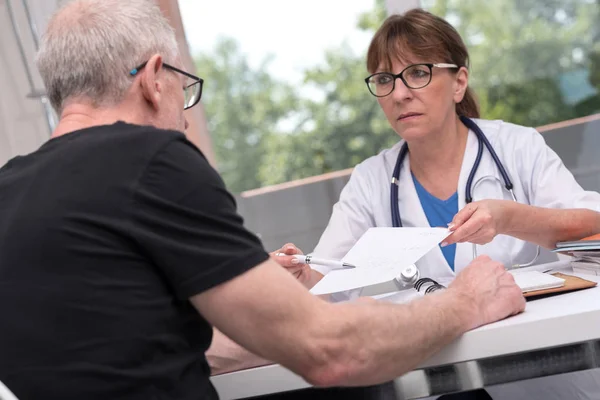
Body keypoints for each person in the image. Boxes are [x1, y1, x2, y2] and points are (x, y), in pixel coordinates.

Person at [0, 1, 525, 399]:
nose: (184, 116)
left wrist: (251, 296)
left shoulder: (10, 193)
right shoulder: (152, 159)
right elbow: (333, 352)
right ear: (155, 79)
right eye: (184, 88)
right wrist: (463, 302)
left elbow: (146, 346)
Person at [275, 8, 600, 400]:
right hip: (448, 376)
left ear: (458, 82)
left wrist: (508, 216)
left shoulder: (517, 146)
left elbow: (591, 229)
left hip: (546, 375)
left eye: (417, 73)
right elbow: (331, 276)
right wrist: (299, 275)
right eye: (384, 79)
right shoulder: (371, 180)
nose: (399, 93)